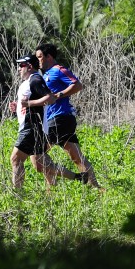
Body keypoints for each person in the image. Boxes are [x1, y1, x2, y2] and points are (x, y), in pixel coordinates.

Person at [8, 53, 84, 189]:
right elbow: (28, 103)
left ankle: (17, 197)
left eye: (21, 65)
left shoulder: (35, 79)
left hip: (32, 127)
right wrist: (17, 106)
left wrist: (29, 103)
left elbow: (50, 98)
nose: (19, 68)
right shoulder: (28, 82)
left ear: (29, 66)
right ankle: (78, 177)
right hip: (32, 127)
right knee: (40, 164)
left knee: (16, 159)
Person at [35, 43, 101, 188]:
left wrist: (59, 95)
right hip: (56, 119)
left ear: (49, 57)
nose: (38, 60)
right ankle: (97, 189)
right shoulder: (44, 75)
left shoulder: (58, 70)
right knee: (77, 158)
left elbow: (77, 85)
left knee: (38, 154)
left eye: (40, 57)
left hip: (60, 118)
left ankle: (52, 189)